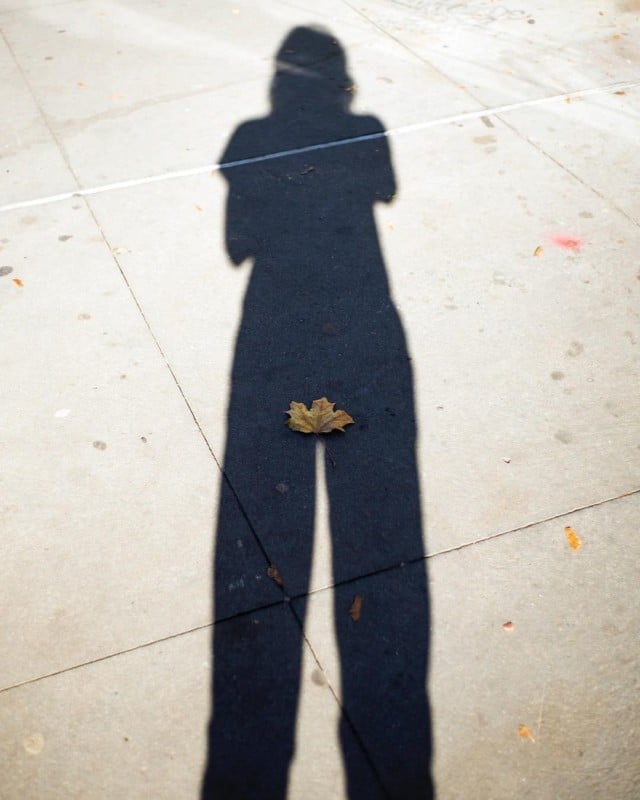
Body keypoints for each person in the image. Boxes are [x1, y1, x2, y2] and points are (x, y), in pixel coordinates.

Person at [202, 26, 433, 799]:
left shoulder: (249, 138)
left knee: (265, 525)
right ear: (342, 82)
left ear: (277, 81)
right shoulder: (366, 130)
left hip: (274, 324)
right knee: (384, 524)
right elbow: (385, 189)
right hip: (365, 319)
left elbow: (240, 242)